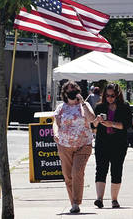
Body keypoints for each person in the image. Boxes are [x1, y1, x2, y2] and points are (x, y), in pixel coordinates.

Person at [53, 80, 96, 214]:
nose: (71, 92)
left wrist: (82, 103)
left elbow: (92, 119)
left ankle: (76, 201)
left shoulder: (85, 105)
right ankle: (73, 204)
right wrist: (55, 133)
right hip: (64, 145)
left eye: (74, 89)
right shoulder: (61, 107)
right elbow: (55, 122)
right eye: (69, 90)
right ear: (64, 93)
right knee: (67, 176)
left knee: (77, 172)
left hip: (83, 144)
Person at [91, 83, 132, 209]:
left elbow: (127, 125)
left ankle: (114, 199)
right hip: (102, 142)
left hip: (119, 143)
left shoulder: (124, 107)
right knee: (101, 169)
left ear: (118, 95)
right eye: (107, 95)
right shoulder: (100, 106)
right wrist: (97, 121)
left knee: (116, 170)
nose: (109, 98)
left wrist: (111, 124)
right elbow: (92, 127)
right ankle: (99, 198)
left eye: (112, 96)